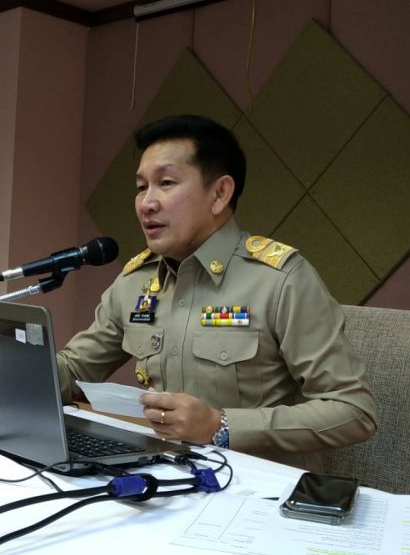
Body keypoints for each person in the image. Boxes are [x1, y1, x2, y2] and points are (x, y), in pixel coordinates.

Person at [55, 114, 377, 472]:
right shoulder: (135, 283)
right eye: (141, 187)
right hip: (165, 476)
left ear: (220, 193)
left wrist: (220, 425)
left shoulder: (279, 280)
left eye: (166, 183)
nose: (147, 203)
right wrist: (15, 366)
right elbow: (75, 369)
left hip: (258, 488)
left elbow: (353, 410)